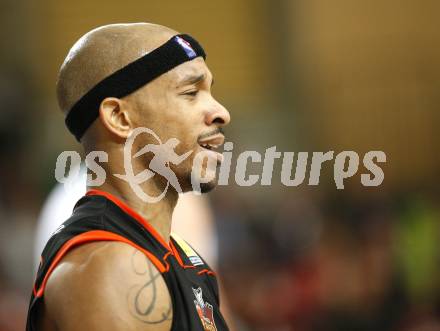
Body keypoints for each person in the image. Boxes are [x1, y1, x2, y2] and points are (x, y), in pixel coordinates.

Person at [27, 22, 231, 331]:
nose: (220, 112)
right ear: (119, 117)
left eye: (210, 91)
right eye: (190, 92)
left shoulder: (178, 256)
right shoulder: (111, 268)